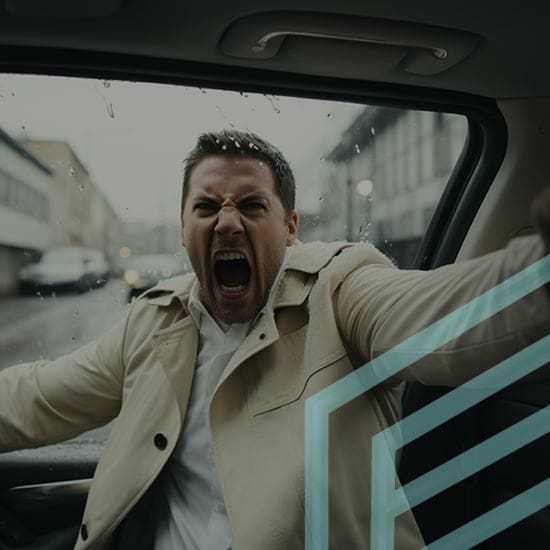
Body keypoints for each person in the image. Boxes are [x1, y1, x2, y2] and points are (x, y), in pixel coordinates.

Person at [0, 130, 549, 550]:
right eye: (208, 207)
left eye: (252, 205)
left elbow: (445, 316)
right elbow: (37, 399)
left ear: (290, 228)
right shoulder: (156, 323)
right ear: (183, 227)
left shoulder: (341, 291)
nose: (228, 223)